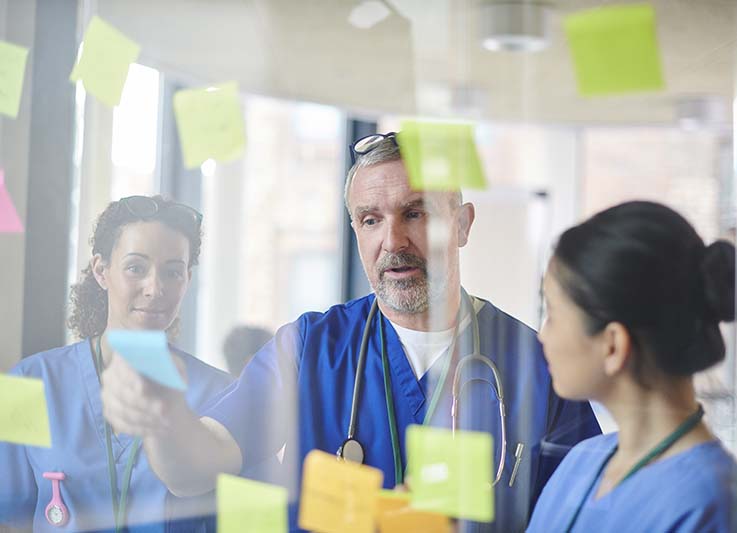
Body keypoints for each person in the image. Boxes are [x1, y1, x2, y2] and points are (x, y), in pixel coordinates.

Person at [100, 133, 601, 532]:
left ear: (463, 224)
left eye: (416, 213)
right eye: (370, 220)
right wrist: (162, 420)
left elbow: (582, 515)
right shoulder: (311, 349)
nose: (393, 241)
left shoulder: (540, 365)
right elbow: (195, 469)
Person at [527, 201, 737, 532]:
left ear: (613, 344)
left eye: (552, 314)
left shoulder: (712, 508)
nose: (543, 336)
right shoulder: (582, 461)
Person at [0, 195, 233, 532]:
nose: (155, 288)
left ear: (188, 280)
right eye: (135, 268)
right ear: (101, 271)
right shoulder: (28, 383)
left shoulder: (222, 395)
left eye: (173, 272)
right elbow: (8, 522)